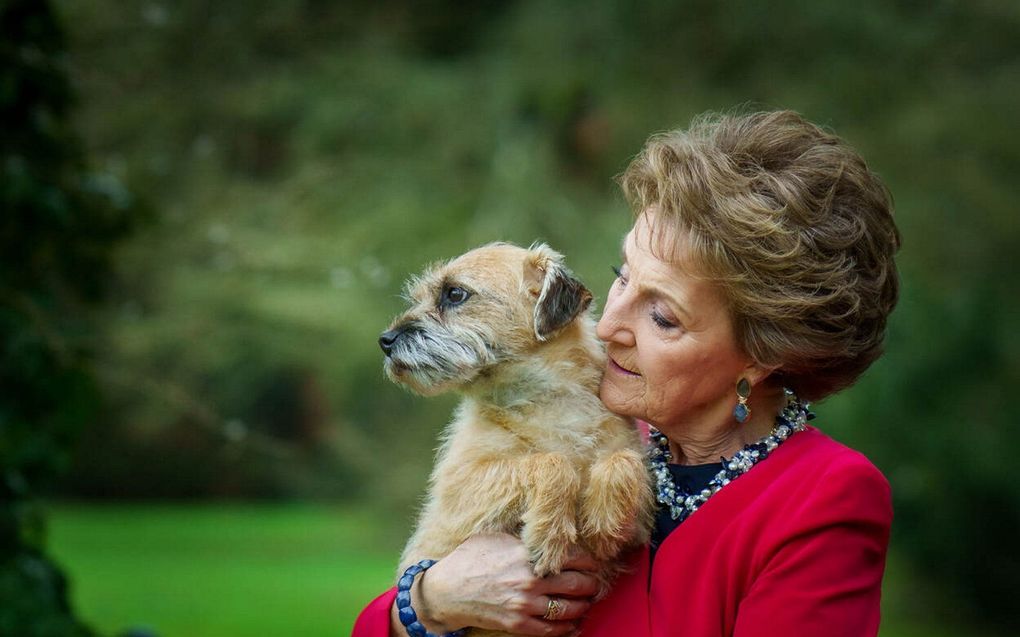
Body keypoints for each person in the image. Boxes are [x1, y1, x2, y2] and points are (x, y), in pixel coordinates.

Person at [353, 109, 900, 637]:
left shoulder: (823, 501)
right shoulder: (592, 435)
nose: (608, 323)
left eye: (662, 316)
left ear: (761, 355)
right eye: (622, 277)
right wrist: (431, 603)